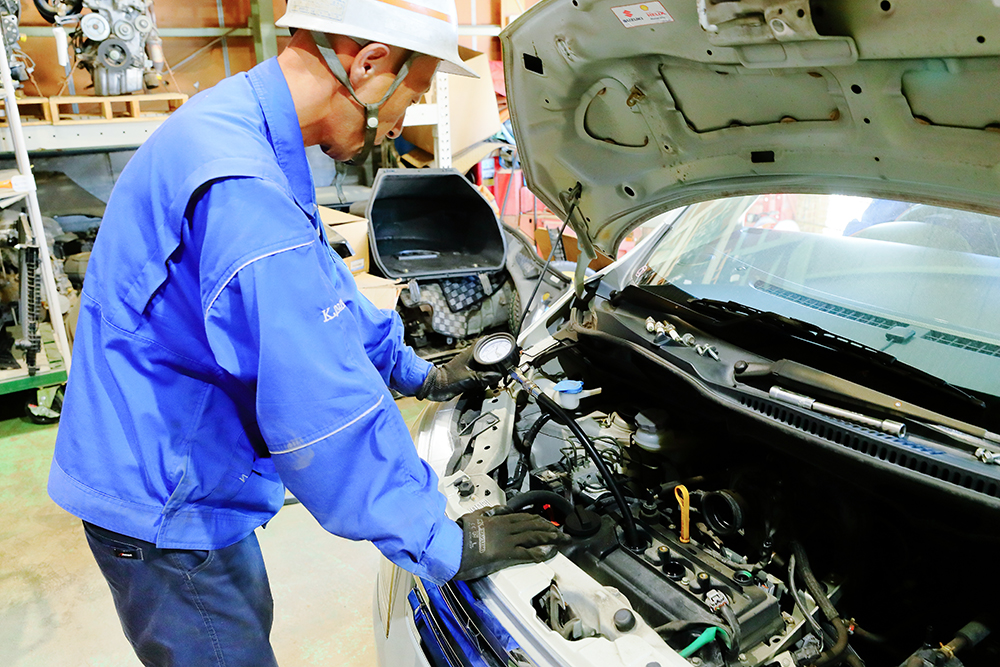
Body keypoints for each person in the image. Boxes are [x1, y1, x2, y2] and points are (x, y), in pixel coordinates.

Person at [47, 1, 568, 665]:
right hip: (166, 506)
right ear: (370, 63)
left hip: (178, 464)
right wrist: (442, 543)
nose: (401, 124)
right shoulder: (245, 186)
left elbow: (321, 288)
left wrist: (415, 370)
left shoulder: (238, 125)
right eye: (411, 95)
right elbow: (323, 414)